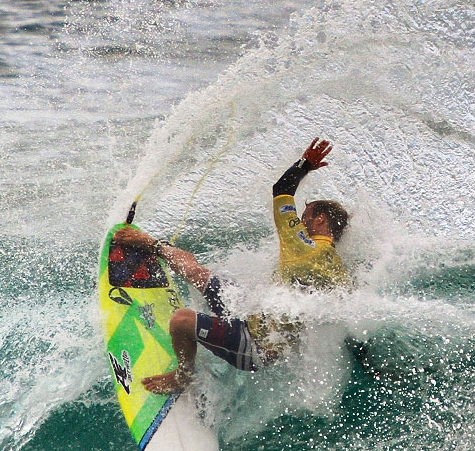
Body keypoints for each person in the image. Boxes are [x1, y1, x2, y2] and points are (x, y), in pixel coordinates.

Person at [113, 138, 350, 394]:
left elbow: (282, 188)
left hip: (254, 346)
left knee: (180, 321)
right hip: (253, 315)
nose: (300, 223)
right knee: (198, 274)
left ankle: (183, 376)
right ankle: (151, 244)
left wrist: (305, 165)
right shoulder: (340, 272)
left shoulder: (300, 244)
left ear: (321, 220)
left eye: (305, 218)